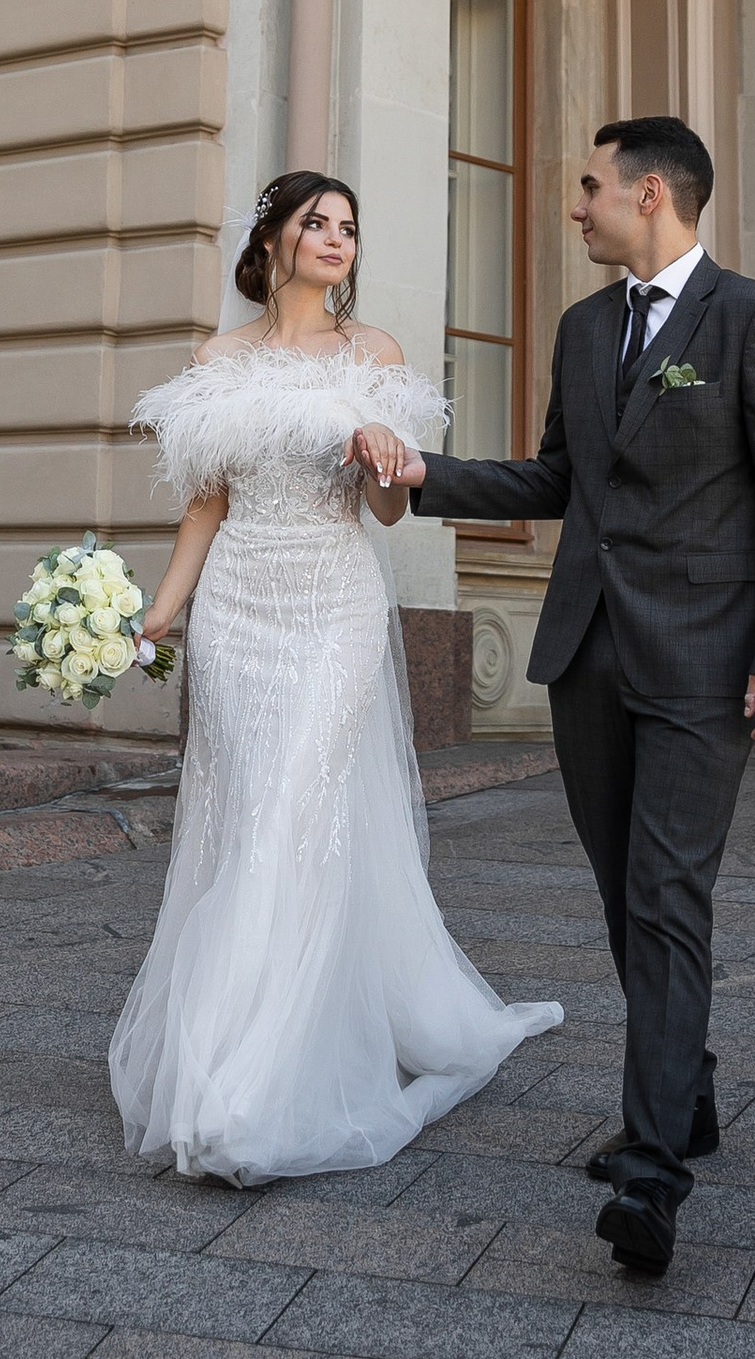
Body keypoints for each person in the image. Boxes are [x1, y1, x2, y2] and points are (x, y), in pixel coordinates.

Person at [352, 117, 755, 1278]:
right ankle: (691, 1096)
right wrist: (426, 476)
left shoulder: (752, 319)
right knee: (628, 896)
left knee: (669, 896)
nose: (574, 208)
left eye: (589, 189)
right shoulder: (584, 329)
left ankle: (652, 1173)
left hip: (708, 662)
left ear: (651, 194)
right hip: (589, 656)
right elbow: (559, 477)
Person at [113, 170, 562, 1185]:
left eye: (349, 228)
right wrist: (155, 618)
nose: (335, 239)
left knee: (292, 812)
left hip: (333, 606)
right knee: (246, 815)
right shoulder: (215, 358)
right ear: (271, 240)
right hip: (237, 610)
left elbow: (393, 511)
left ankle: (257, 1084)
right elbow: (202, 507)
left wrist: (384, 459)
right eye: (316, 223)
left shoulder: (377, 355)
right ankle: (226, 1058)